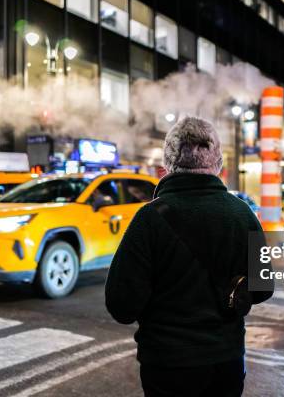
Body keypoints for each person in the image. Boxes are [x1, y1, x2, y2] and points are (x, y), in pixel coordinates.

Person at [105, 116, 273, 397]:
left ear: (167, 164)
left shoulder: (148, 219)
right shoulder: (242, 214)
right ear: (218, 162)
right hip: (226, 359)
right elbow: (263, 288)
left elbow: (122, 306)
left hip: (167, 364)